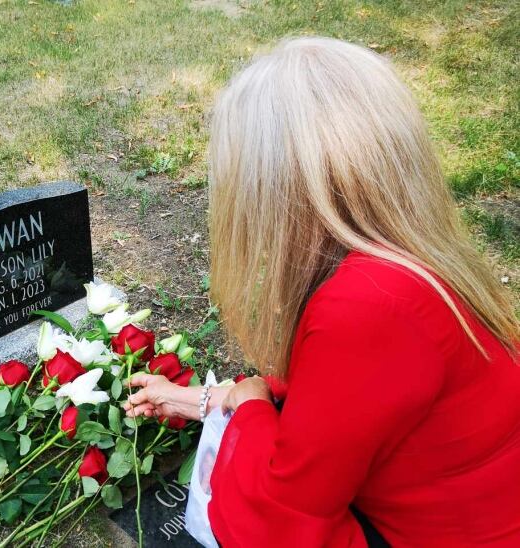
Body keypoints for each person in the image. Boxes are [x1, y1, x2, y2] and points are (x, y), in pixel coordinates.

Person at [123, 37, 520, 547]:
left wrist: (248, 409)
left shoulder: (364, 305)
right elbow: (344, 409)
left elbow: (283, 521)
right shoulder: (406, 260)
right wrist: (201, 399)